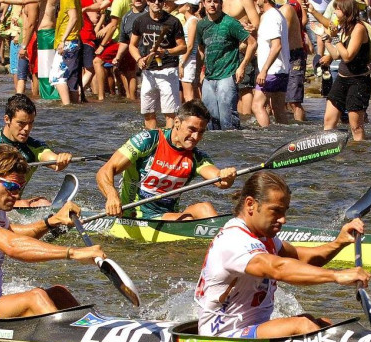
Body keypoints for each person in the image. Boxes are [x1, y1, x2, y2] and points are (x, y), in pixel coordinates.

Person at [0, 145, 105, 319]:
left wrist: (52, 221)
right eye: (11, 186)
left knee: (59, 294)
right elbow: (11, 245)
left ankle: (96, 326)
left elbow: (13, 233)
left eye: (20, 188)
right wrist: (73, 253)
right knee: (35, 297)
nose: (16, 195)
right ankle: (69, 339)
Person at [194, 170, 371, 339]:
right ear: (250, 204)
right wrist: (336, 275)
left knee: (322, 323)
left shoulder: (262, 237)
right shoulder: (234, 240)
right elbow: (278, 268)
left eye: (284, 211)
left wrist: (338, 242)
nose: (283, 219)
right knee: (302, 325)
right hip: (221, 337)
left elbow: (303, 259)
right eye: (276, 211)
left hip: (250, 328)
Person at [96, 99, 237, 220]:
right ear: (177, 122)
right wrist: (112, 195)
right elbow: (105, 171)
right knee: (186, 219)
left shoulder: (196, 157)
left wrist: (227, 176)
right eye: (191, 130)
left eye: (201, 132)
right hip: (135, 215)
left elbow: (221, 181)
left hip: (169, 216)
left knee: (206, 208)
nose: (196, 137)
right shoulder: (149, 141)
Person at [196, 0, 256, 129]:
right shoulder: (201, 25)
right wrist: (200, 72)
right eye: (209, 1)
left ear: (221, 4)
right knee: (210, 121)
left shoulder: (230, 23)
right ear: (203, 4)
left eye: (216, 1)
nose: (212, 5)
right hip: (209, 77)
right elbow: (201, 50)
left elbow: (252, 43)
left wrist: (242, 66)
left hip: (227, 75)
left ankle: (234, 147)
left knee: (227, 119)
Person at [130, 0, 185, 128]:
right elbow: (132, 45)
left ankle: (168, 142)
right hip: (148, 71)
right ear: (147, 2)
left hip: (168, 70)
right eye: (152, 0)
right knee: (148, 111)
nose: (156, 3)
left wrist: (166, 52)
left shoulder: (173, 21)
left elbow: (183, 47)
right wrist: (139, 59)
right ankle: (152, 140)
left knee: (170, 112)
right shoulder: (140, 21)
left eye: (160, 0)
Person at [321, 0, 370, 138]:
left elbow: (348, 56)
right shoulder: (344, 28)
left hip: (358, 82)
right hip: (342, 80)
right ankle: (328, 149)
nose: (335, 13)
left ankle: (359, 153)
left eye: (337, 10)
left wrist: (335, 37)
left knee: (356, 127)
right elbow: (337, 55)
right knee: (328, 121)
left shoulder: (358, 28)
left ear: (347, 11)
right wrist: (326, 38)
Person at [252, 0, 290, 126]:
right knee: (278, 109)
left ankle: (266, 138)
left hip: (271, 71)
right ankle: (284, 139)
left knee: (257, 106)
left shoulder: (270, 17)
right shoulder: (277, 14)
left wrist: (263, 71)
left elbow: (276, 46)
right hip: (282, 70)